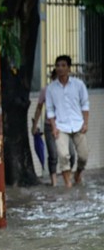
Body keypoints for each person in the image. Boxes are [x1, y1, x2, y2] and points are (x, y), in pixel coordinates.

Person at [46, 55, 90, 187]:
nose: (60, 68)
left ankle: (77, 174)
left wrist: (86, 123)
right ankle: (68, 184)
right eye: (58, 66)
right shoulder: (51, 88)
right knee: (64, 155)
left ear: (69, 68)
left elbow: (85, 104)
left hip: (78, 124)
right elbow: (50, 110)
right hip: (61, 126)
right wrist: (53, 127)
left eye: (63, 65)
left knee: (84, 156)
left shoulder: (79, 85)